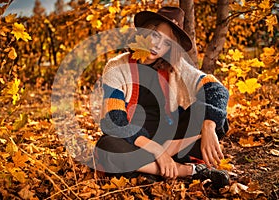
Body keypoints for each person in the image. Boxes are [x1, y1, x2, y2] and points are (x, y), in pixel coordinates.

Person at [94, 6, 230, 188]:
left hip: (171, 140)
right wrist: (158, 151)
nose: (158, 45)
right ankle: (186, 170)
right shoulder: (117, 66)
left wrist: (208, 126)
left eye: (167, 42)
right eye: (156, 35)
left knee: (217, 119)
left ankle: (147, 169)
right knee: (107, 147)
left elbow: (216, 89)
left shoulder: (176, 68)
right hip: (134, 142)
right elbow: (116, 121)